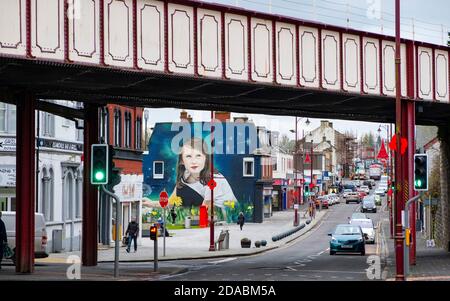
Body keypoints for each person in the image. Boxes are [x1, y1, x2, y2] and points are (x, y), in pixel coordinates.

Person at [171, 137, 238, 219]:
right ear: (182, 161)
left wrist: (188, 218)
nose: (194, 161)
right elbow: (171, 200)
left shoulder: (214, 179)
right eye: (188, 156)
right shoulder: (186, 175)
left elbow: (206, 206)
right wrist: (151, 203)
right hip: (208, 210)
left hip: (226, 214)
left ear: (205, 158)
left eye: (198, 155)